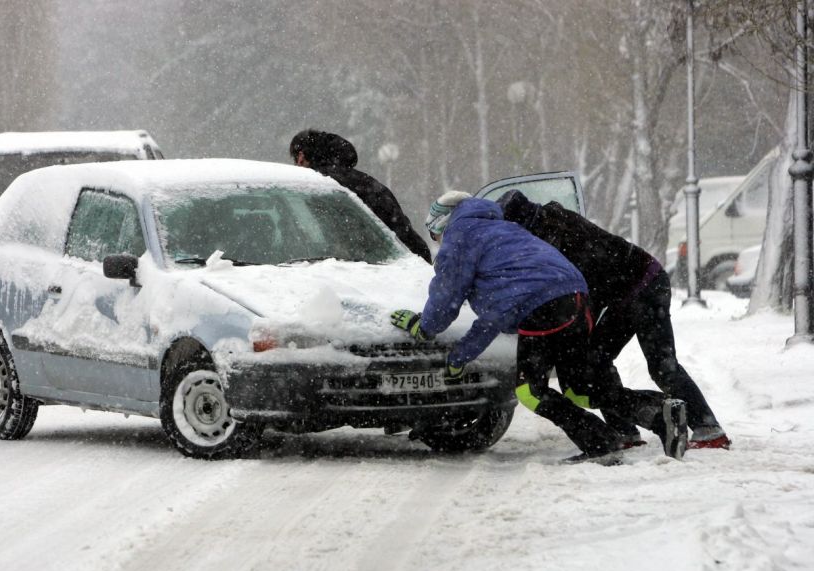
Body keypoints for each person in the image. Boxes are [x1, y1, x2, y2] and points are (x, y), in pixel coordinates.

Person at [390, 191, 690, 463]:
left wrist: (426, 329)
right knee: (580, 389)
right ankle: (658, 411)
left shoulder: (461, 236)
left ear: (443, 222)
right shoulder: (505, 229)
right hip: (576, 296)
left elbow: (447, 299)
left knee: (530, 391)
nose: (437, 241)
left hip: (543, 307)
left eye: (433, 233)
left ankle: (601, 443)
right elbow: (502, 303)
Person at [497, 189, 730, 450]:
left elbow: (582, 289)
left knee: (662, 365)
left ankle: (709, 430)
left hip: (646, 284)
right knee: (595, 360)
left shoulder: (555, 238)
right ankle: (624, 431)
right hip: (623, 294)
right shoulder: (551, 222)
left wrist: (570, 333)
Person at [290, 129, 432, 263]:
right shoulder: (370, 184)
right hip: (388, 266)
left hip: (350, 269)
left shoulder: (317, 187)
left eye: (295, 160)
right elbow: (405, 234)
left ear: (301, 157)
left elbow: (331, 241)